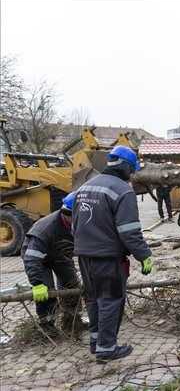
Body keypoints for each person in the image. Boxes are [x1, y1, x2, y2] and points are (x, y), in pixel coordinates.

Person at [72, 145, 153, 363]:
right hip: (107, 257)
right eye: (132, 169)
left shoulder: (86, 187)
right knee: (110, 300)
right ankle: (107, 348)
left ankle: (95, 341)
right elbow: (129, 232)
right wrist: (145, 255)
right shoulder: (123, 190)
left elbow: (74, 223)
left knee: (94, 299)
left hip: (84, 255)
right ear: (126, 167)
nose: (132, 174)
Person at [21, 191, 83, 335]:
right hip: (38, 259)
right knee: (46, 290)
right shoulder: (45, 230)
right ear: (67, 214)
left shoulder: (78, 221)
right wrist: (37, 283)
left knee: (71, 284)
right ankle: (47, 326)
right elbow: (32, 260)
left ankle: (72, 321)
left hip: (59, 253)